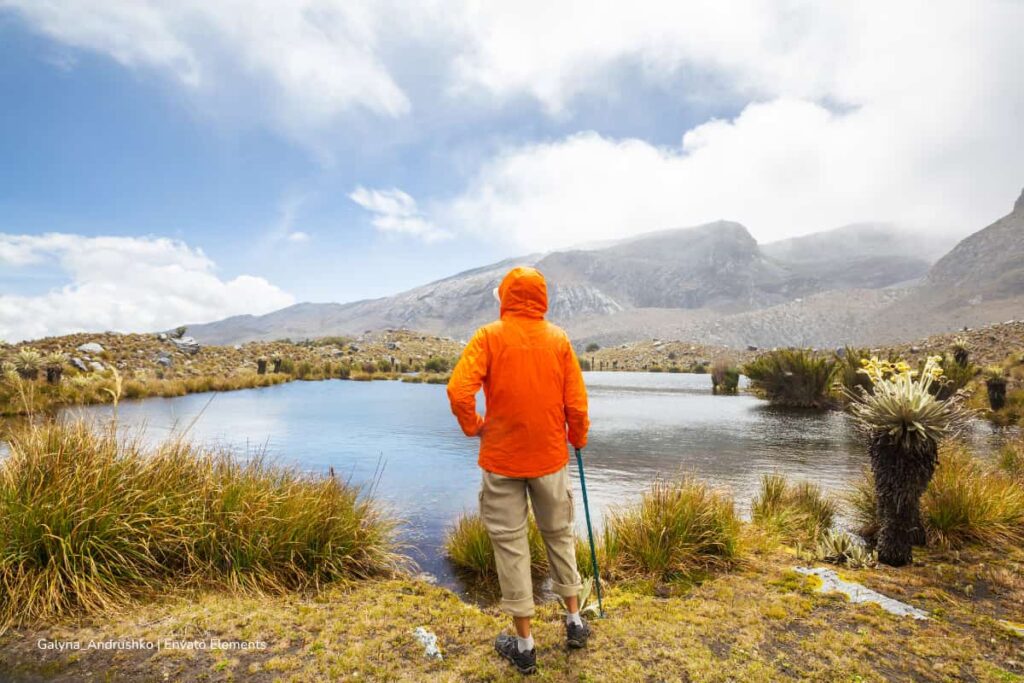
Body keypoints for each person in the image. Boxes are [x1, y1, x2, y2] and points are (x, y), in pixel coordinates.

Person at [447, 266, 591, 675]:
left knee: (511, 546)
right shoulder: (558, 339)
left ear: (505, 298)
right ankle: (574, 621)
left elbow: (459, 391)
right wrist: (578, 436)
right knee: (559, 536)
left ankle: (525, 646)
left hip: (502, 459)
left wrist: (475, 426)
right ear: (542, 299)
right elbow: (576, 403)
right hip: (550, 458)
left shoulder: (488, 336)